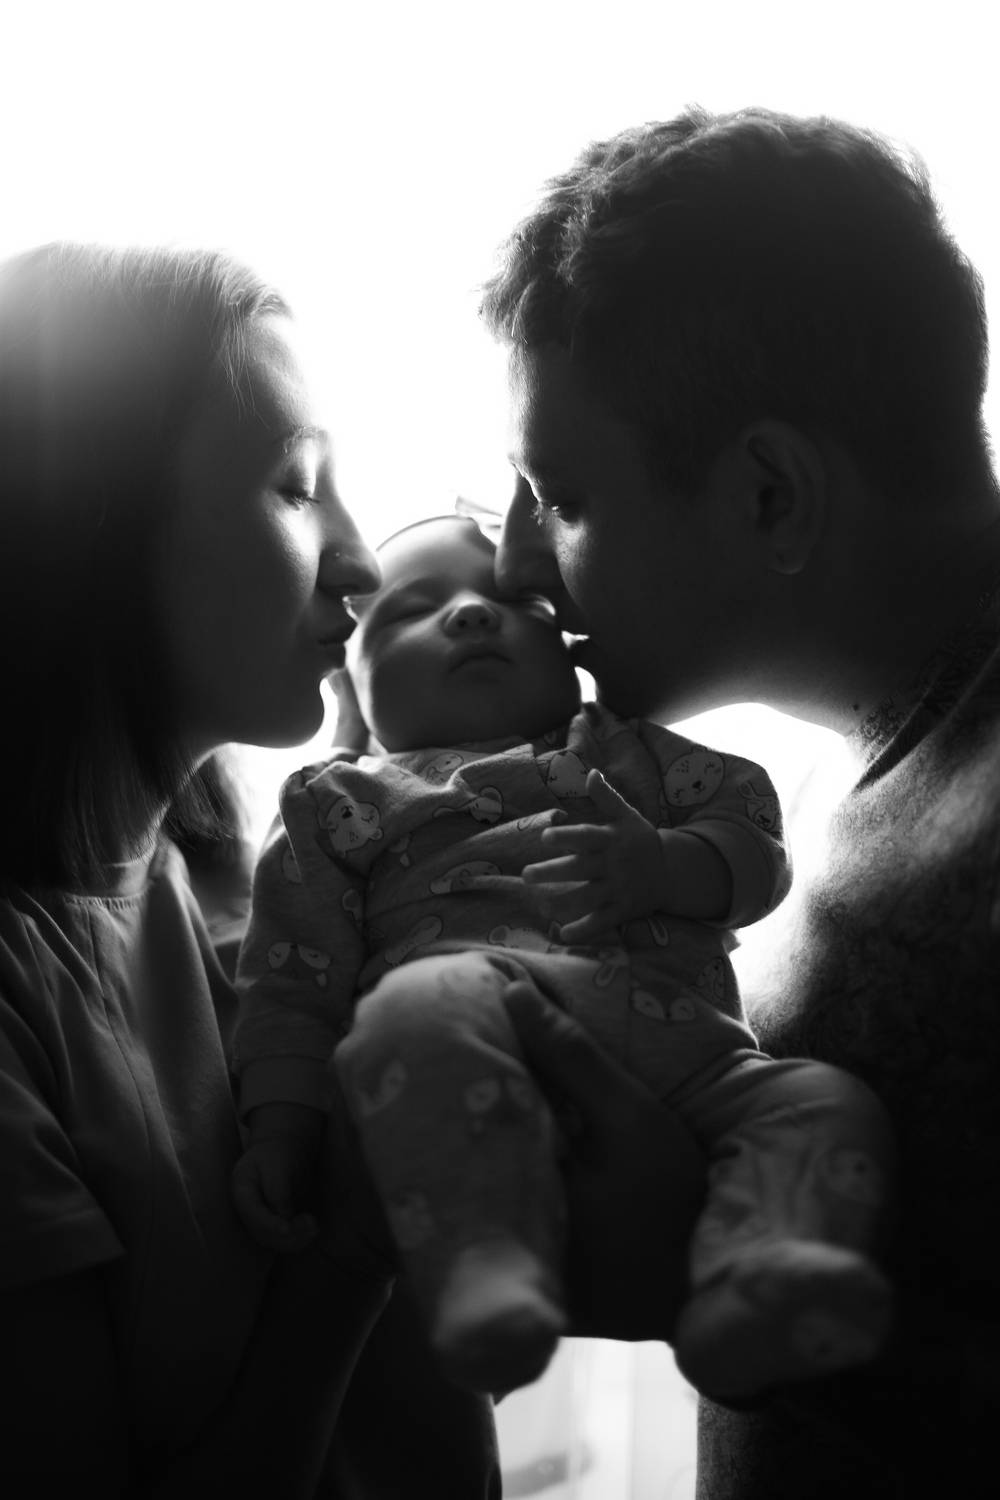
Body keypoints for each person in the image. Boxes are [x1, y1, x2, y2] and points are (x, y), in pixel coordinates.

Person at [479, 104, 1000, 1497]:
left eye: (560, 496)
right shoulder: (816, 789)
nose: (515, 565)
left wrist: (704, 1283)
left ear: (770, 494)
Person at [0, 241, 501, 1498]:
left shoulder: (266, 888)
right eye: (295, 487)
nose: (363, 562)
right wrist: (349, 1248)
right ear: (94, 526)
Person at [232, 512, 895, 1402]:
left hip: (681, 1044)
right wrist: (281, 1128)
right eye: (413, 610)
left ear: (567, 653)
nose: (473, 613)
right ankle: (487, 1258)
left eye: (515, 603)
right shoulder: (338, 799)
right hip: (474, 1028)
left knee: (820, 1100)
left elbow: (757, 847)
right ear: (352, 693)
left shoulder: (628, 748)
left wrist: (668, 864)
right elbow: (290, 982)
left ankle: (758, 1271)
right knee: (409, 1010)